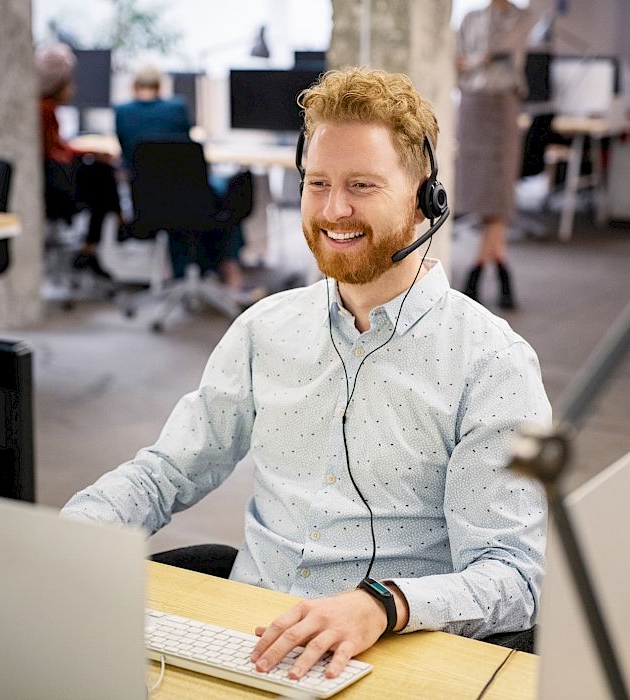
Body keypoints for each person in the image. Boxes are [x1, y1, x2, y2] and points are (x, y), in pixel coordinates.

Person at [62, 68, 550, 680]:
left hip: (393, 656)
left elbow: (514, 576)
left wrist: (385, 605)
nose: (333, 210)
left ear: (424, 194)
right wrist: (67, 537)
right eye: (316, 183)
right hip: (250, 640)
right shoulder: (264, 328)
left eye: (362, 185)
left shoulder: (490, 363)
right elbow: (168, 470)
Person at [115, 65, 260, 302]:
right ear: (160, 86)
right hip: (192, 200)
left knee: (178, 206)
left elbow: (126, 155)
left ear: (134, 86)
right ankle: (229, 270)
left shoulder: (121, 112)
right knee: (223, 196)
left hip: (148, 204)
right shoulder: (177, 107)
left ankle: (184, 273)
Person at [455, 0, 536, 308]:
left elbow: (499, 48)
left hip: (503, 106)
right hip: (472, 106)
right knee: (479, 193)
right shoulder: (470, 17)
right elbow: (458, 61)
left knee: (499, 193)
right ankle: (500, 264)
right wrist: (481, 59)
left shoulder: (520, 17)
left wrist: (477, 58)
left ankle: (476, 269)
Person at [36, 43, 122, 278]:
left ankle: (105, 234)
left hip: (56, 181)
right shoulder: (43, 110)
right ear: (57, 83)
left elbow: (58, 147)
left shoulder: (46, 109)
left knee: (101, 171)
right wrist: (89, 153)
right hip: (57, 189)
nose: (73, 88)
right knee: (103, 174)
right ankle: (113, 228)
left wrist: (87, 151)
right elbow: (55, 153)